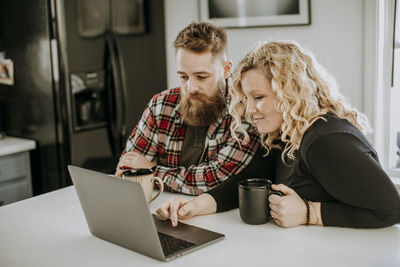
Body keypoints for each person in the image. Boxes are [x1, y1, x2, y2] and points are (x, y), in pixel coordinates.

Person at [156, 41, 400, 228]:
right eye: (247, 99)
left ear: (290, 93)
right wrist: (194, 206)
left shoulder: (326, 140)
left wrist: (309, 213)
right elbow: (249, 180)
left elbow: (391, 209)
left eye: (259, 98)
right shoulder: (284, 132)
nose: (250, 110)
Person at [115, 22, 260, 195]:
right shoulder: (160, 104)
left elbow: (217, 179)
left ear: (226, 69)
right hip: (156, 210)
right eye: (183, 77)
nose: (191, 88)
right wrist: (145, 171)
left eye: (201, 76)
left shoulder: (244, 111)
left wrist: (152, 171)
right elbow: (128, 167)